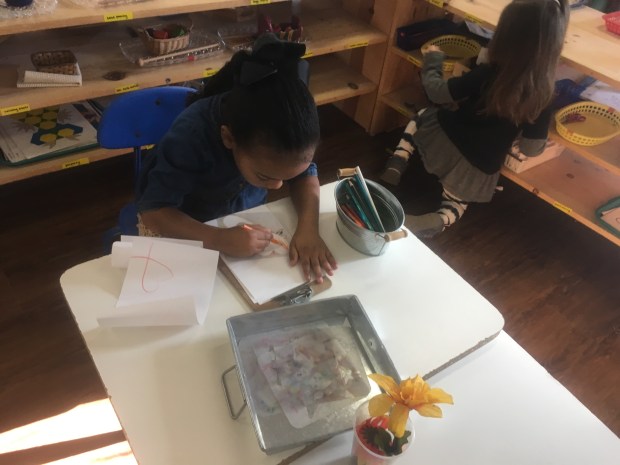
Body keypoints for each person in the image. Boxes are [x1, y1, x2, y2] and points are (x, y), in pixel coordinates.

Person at [136, 34, 337, 283]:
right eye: (264, 176)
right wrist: (218, 238)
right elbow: (154, 212)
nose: (277, 186)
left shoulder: (286, 136)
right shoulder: (191, 135)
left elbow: (305, 174)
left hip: (240, 217)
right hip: (189, 225)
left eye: (286, 178)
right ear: (228, 138)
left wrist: (308, 228)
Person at [380, 0, 570, 238]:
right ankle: (432, 220)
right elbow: (530, 149)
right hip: (478, 168)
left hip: (444, 139)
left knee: (421, 116)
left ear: (503, 36)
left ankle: (397, 163)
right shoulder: (544, 96)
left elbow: (437, 92)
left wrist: (433, 61)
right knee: (457, 204)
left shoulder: (491, 72)